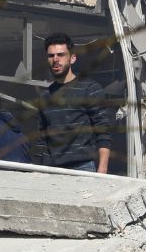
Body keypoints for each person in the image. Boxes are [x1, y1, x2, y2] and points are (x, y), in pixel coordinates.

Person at [33, 32, 112, 173]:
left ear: (72, 58)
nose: (55, 59)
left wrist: (102, 169)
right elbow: (42, 139)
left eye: (61, 55)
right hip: (52, 170)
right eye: (51, 56)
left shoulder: (90, 89)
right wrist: (37, 171)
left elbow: (103, 132)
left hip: (82, 168)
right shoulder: (45, 95)